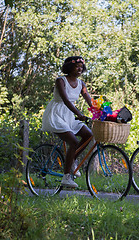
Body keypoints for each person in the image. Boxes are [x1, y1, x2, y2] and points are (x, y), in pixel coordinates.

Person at [42, 56, 93, 188]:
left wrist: (102, 112)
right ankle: (66, 177)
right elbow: (65, 100)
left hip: (70, 116)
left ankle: (72, 160)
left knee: (89, 135)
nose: (80, 69)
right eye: (77, 66)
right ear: (69, 67)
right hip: (57, 115)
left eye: (82, 67)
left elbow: (90, 101)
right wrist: (79, 114)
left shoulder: (82, 84)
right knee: (74, 142)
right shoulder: (61, 80)